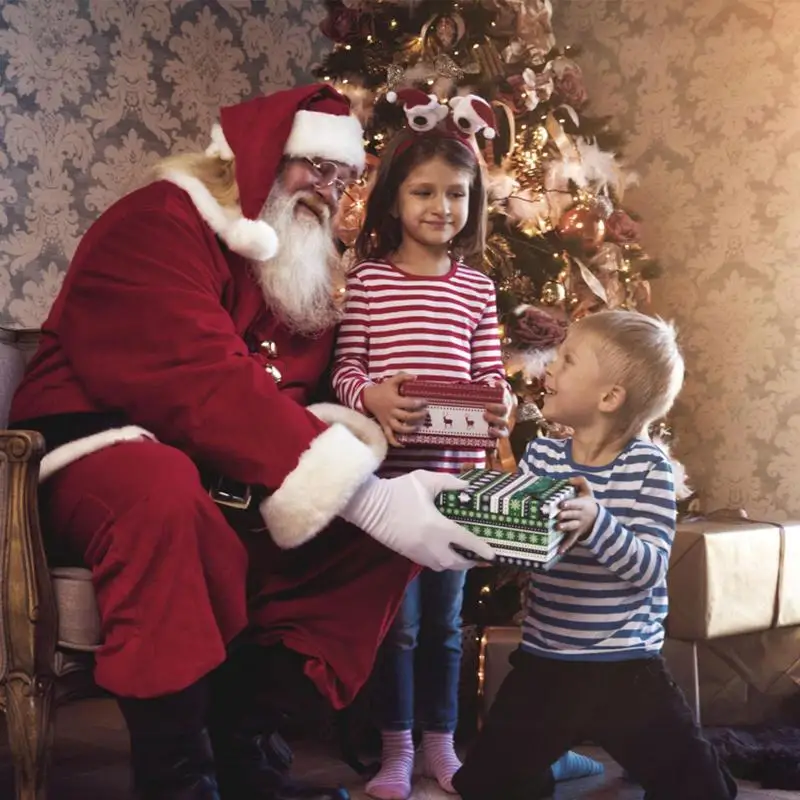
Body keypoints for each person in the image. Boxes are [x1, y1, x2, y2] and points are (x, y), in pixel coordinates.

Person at [9, 83, 498, 800]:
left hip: (228, 466)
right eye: (312, 166)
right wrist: (360, 494)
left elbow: (307, 392)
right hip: (98, 443)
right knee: (163, 497)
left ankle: (249, 744)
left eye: (341, 177)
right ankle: (179, 780)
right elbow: (194, 376)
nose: (326, 190)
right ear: (261, 156)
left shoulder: (298, 265)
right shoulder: (158, 219)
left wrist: (378, 449)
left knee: (386, 537)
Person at [331, 101, 601, 800]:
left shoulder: (477, 289)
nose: (441, 206)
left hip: (457, 490)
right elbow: (344, 373)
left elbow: (489, 379)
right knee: (399, 629)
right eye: (424, 191)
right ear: (393, 196)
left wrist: (502, 404)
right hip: (389, 491)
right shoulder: (369, 282)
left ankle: (442, 749)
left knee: (446, 628)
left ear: (473, 202)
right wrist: (374, 397)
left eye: (457, 193)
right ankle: (395, 754)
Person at [452, 310, 739, 800]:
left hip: (626, 671)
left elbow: (649, 569)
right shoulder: (542, 456)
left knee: (700, 790)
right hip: (545, 665)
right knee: (483, 785)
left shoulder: (649, 468)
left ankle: (564, 753)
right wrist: (487, 540)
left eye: (567, 360)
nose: (549, 368)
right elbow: (528, 556)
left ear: (609, 398)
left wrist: (597, 523)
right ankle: (552, 759)